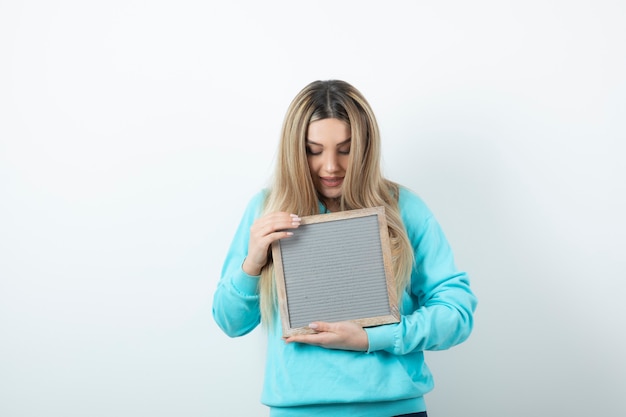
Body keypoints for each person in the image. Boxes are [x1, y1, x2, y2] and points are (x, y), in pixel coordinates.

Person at [212, 79, 477, 417]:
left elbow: (457, 314)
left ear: (366, 146)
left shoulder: (404, 208)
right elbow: (229, 322)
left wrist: (373, 338)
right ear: (295, 149)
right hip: (299, 410)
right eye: (313, 150)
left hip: (394, 410)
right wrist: (252, 263)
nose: (331, 167)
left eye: (346, 148)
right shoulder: (268, 210)